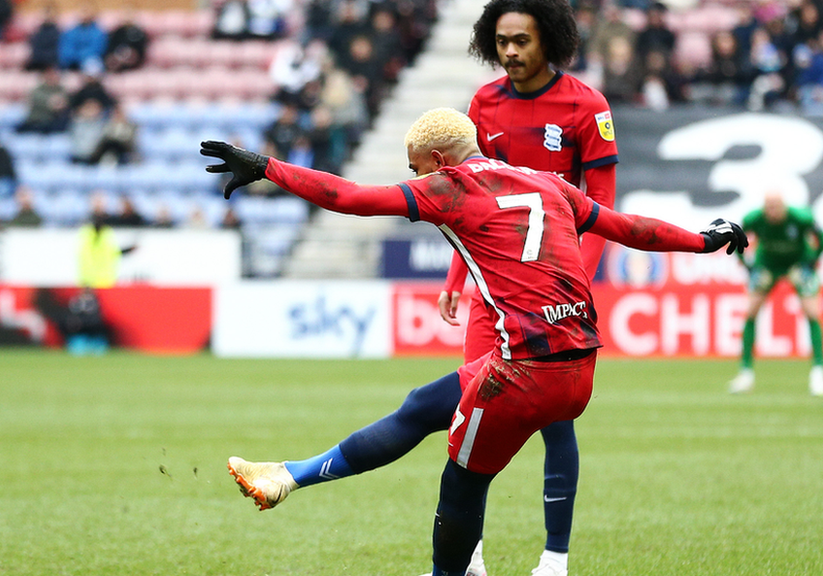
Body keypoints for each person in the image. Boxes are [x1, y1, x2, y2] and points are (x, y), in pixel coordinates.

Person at [202, 107, 746, 576]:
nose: (412, 177)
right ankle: (288, 475)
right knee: (424, 406)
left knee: (461, 483)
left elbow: (349, 197)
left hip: (526, 373)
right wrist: (703, 240)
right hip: (579, 366)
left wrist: (267, 167)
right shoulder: (546, 181)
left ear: (438, 161)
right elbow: (628, 227)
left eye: (414, 167)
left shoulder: (451, 186)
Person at [439, 1, 621, 573]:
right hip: (489, 293)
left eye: (522, 40)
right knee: (471, 415)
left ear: (551, 41)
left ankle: (554, 558)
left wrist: (575, 282)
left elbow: (603, 206)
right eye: (502, 41)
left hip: (556, 297)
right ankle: (472, 559)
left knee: (554, 420)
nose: (511, 51)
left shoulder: (587, 106)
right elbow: (463, 201)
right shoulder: (482, 105)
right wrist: (454, 275)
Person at [729, 190, 823, 396]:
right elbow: (735, 238)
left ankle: (819, 372)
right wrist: (748, 265)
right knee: (751, 312)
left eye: (776, 206)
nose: (772, 211)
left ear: (784, 206)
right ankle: (745, 373)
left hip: (797, 263)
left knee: (812, 313)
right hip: (767, 265)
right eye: (768, 206)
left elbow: (820, 236)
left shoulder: (801, 217)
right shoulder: (754, 218)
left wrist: (812, 261)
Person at [16, 66, 70, 134]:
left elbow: (64, 103)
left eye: (55, 74)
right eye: (50, 75)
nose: (53, 77)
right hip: (36, 124)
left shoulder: (62, 89)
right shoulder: (37, 91)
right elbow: (53, 104)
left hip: (55, 125)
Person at [59, 4, 107, 71]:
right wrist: (73, 58)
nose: (84, 15)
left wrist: (80, 57)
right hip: (71, 63)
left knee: (93, 66)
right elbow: (66, 49)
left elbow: (97, 50)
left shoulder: (98, 32)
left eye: (87, 12)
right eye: (83, 12)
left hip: (90, 61)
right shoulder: (70, 32)